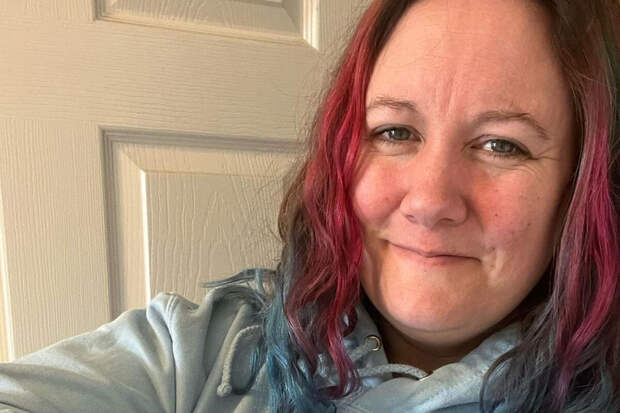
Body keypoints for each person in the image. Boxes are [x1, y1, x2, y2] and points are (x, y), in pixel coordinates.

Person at [1, 0, 618, 411]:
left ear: (583, 189)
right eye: (395, 132)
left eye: (502, 145)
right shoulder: (198, 354)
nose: (430, 201)